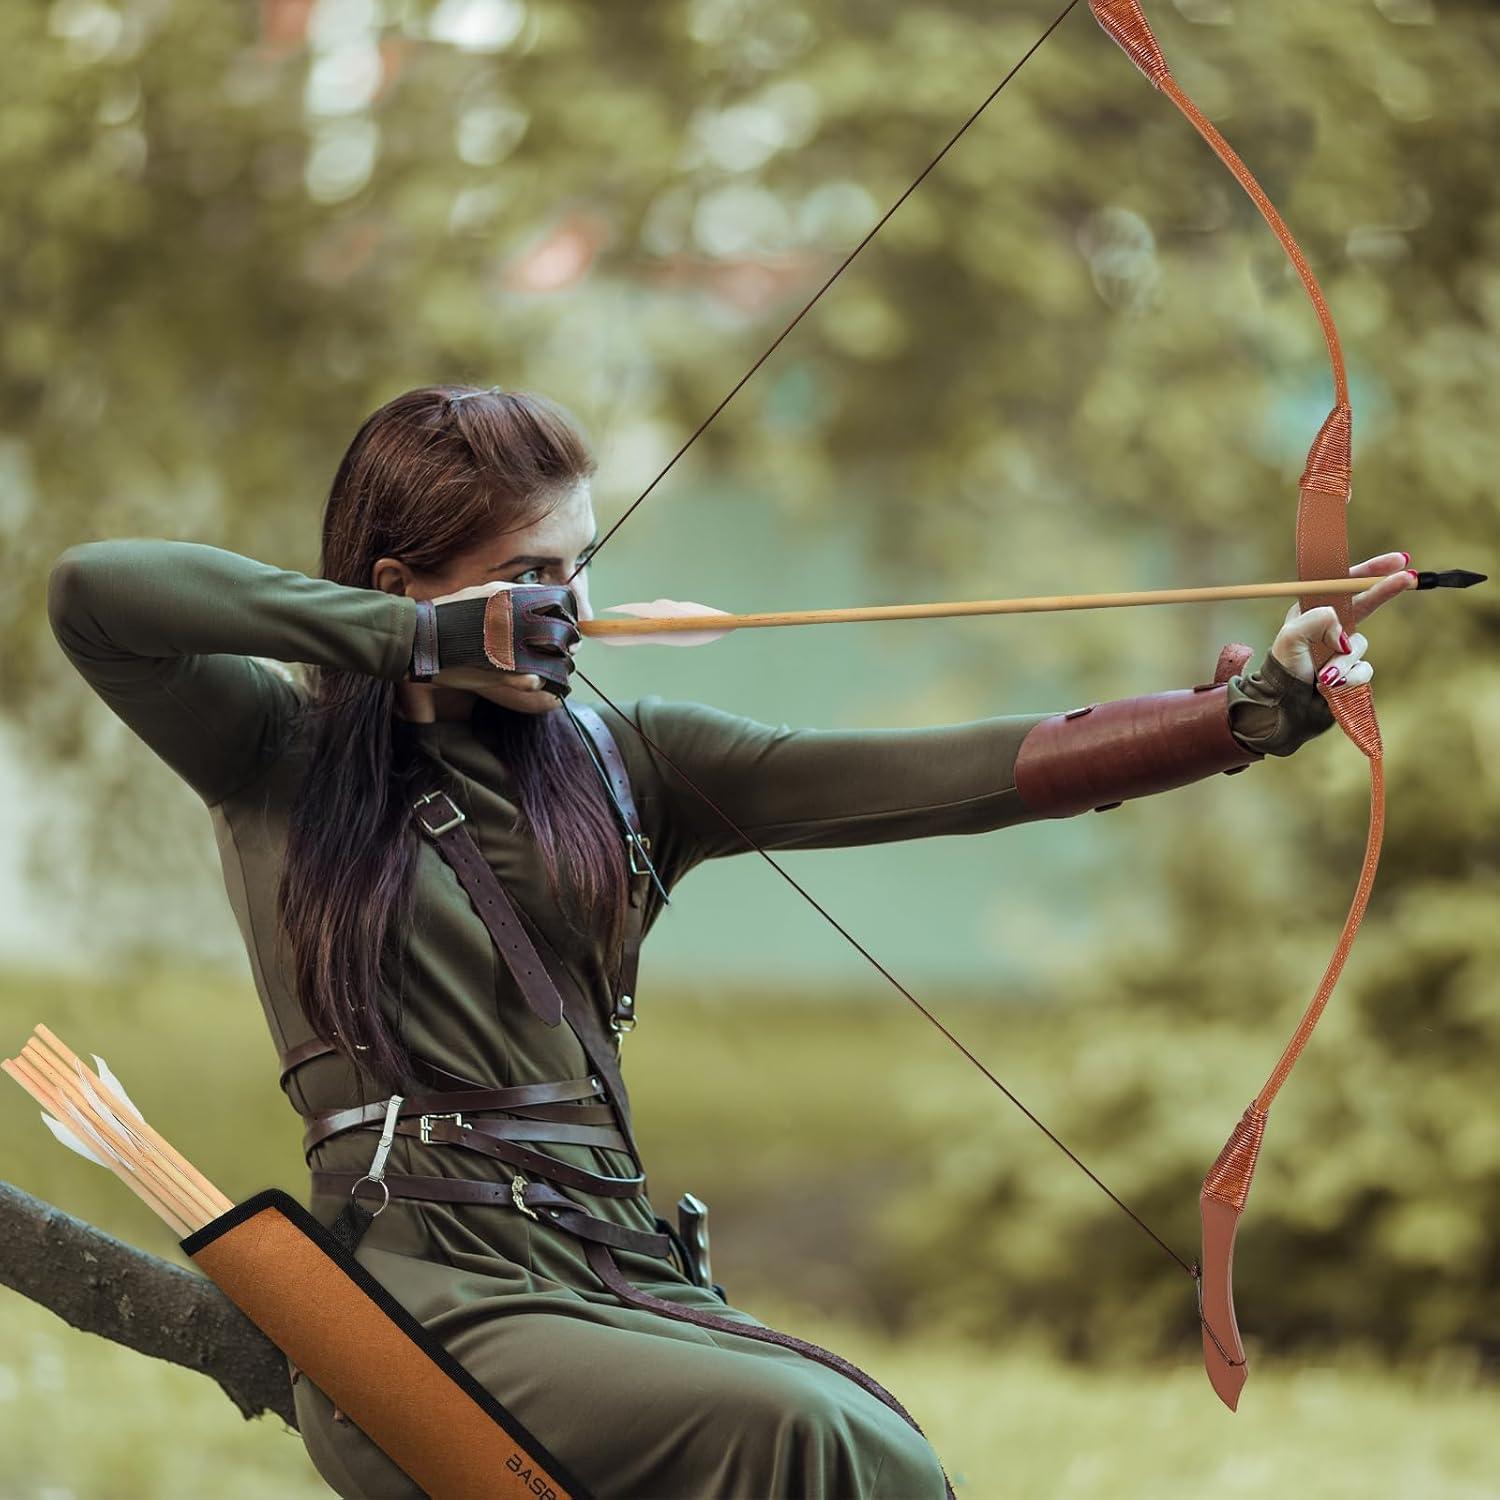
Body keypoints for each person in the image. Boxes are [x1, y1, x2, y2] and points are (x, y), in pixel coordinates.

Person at [45, 383, 1413, 1498]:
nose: (570, 609)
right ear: (409, 584)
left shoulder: (627, 761)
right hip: (425, 1302)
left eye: (580, 569)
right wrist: (410, 638)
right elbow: (97, 593)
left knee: (881, 1451)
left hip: (617, 1277)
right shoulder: (275, 754)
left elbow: (957, 775)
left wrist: (1245, 715)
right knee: (809, 1439)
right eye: (528, 578)